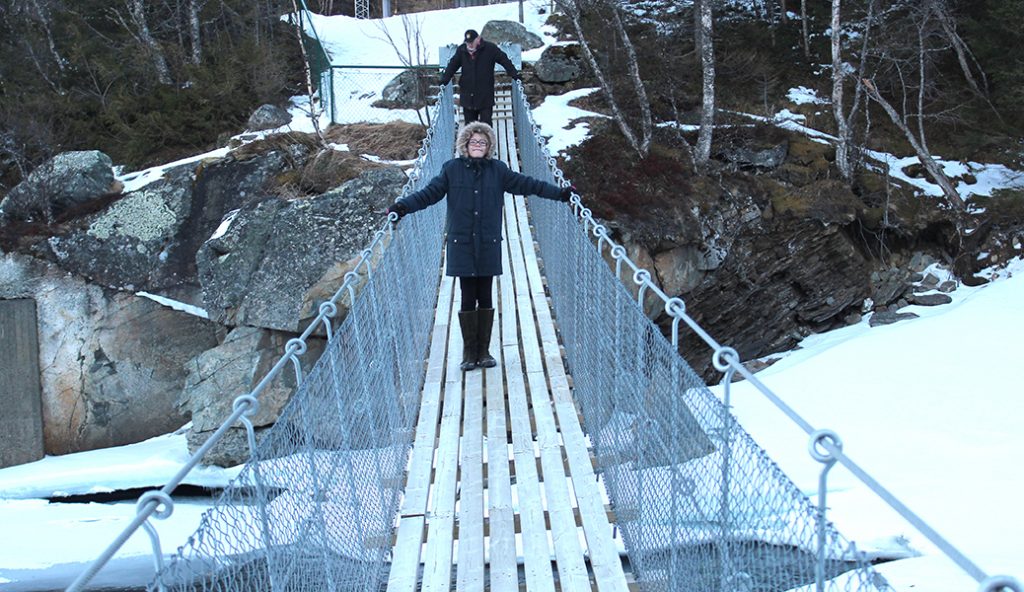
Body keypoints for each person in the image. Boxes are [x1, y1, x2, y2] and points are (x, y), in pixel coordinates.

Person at [387, 122, 574, 372]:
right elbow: (429, 194)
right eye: (474, 142)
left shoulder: (498, 171)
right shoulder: (451, 170)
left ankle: (483, 351)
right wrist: (402, 207)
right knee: (467, 296)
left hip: (487, 243)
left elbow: (530, 185)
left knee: (485, 295)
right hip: (461, 243)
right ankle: (468, 352)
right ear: (465, 144)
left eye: (483, 143)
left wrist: (560, 194)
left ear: (489, 148)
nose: (478, 146)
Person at [440, 29, 521, 127]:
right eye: (467, 42)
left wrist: (514, 75)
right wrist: (444, 80)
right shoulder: (462, 50)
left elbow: (504, 60)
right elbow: (452, 65)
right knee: (469, 128)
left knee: (486, 127)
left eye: (471, 42)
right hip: (467, 96)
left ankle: (488, 142)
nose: (469, 45)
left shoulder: (490, 49)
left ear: (478, 39)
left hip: (485, 96)